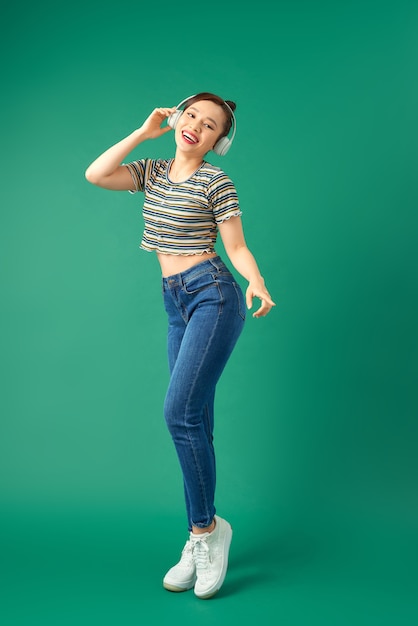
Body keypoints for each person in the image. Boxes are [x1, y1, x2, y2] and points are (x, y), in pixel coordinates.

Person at [85, 92, 275, 599]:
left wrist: (255, 281)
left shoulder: (218, 183)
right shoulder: (150, 170)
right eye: (191, 115)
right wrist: (144, 132)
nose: (196, 126)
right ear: (177, 119)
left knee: (180, 415)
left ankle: (205, 533)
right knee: (197, 422)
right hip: (176, 301)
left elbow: (235, 245)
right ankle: (205, 533)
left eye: (209, 125)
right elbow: (96, 174)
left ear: (218, 142)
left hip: (213, 293)